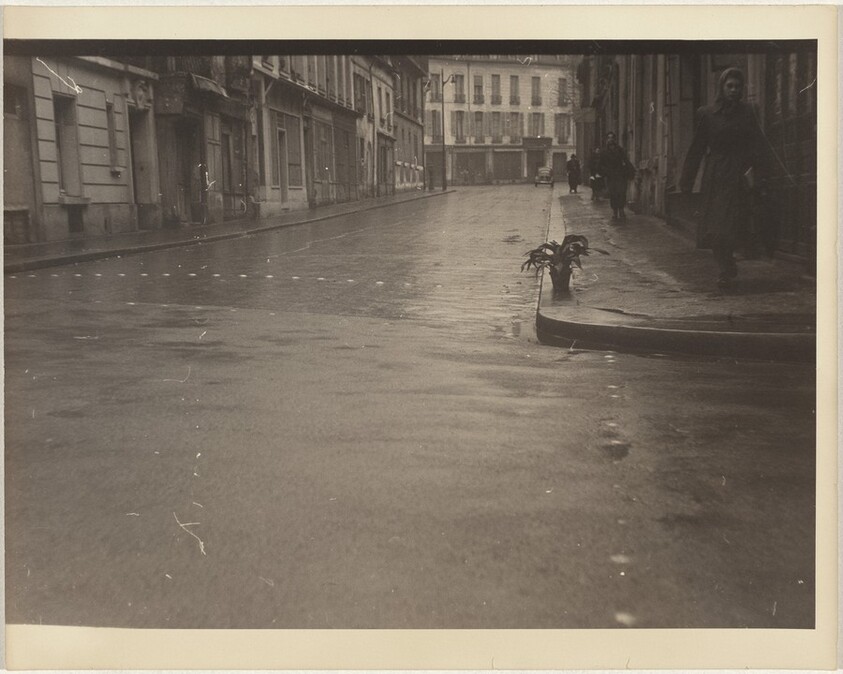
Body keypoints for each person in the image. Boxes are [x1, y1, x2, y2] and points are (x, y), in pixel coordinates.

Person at [680, 67, 769, 289]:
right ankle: (725, 266)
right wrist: (686, 183)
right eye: (729, 86)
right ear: (722, 87)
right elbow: (696, 149)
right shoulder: (707, 114)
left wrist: (760, 176)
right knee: (717, 228)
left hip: (738, 177)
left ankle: (726, 266)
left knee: (731, 225)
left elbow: (758, 146)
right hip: (716, 176)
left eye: (737, 86)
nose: (733, 90)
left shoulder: (749, 112)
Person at [598, 132, 634, 221]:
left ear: (615, 139)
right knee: (613, 194)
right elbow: (600, 165)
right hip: (611, 177)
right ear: (607, 139)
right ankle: (614, 211)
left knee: (621, 193)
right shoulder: (604, 152)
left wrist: (630, 171)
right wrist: (605, 172)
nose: (610, 139)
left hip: (620, 176)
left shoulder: (620, 150)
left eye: (612, 137)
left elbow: (626, 161)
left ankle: (621, 210)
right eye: (609, 137)